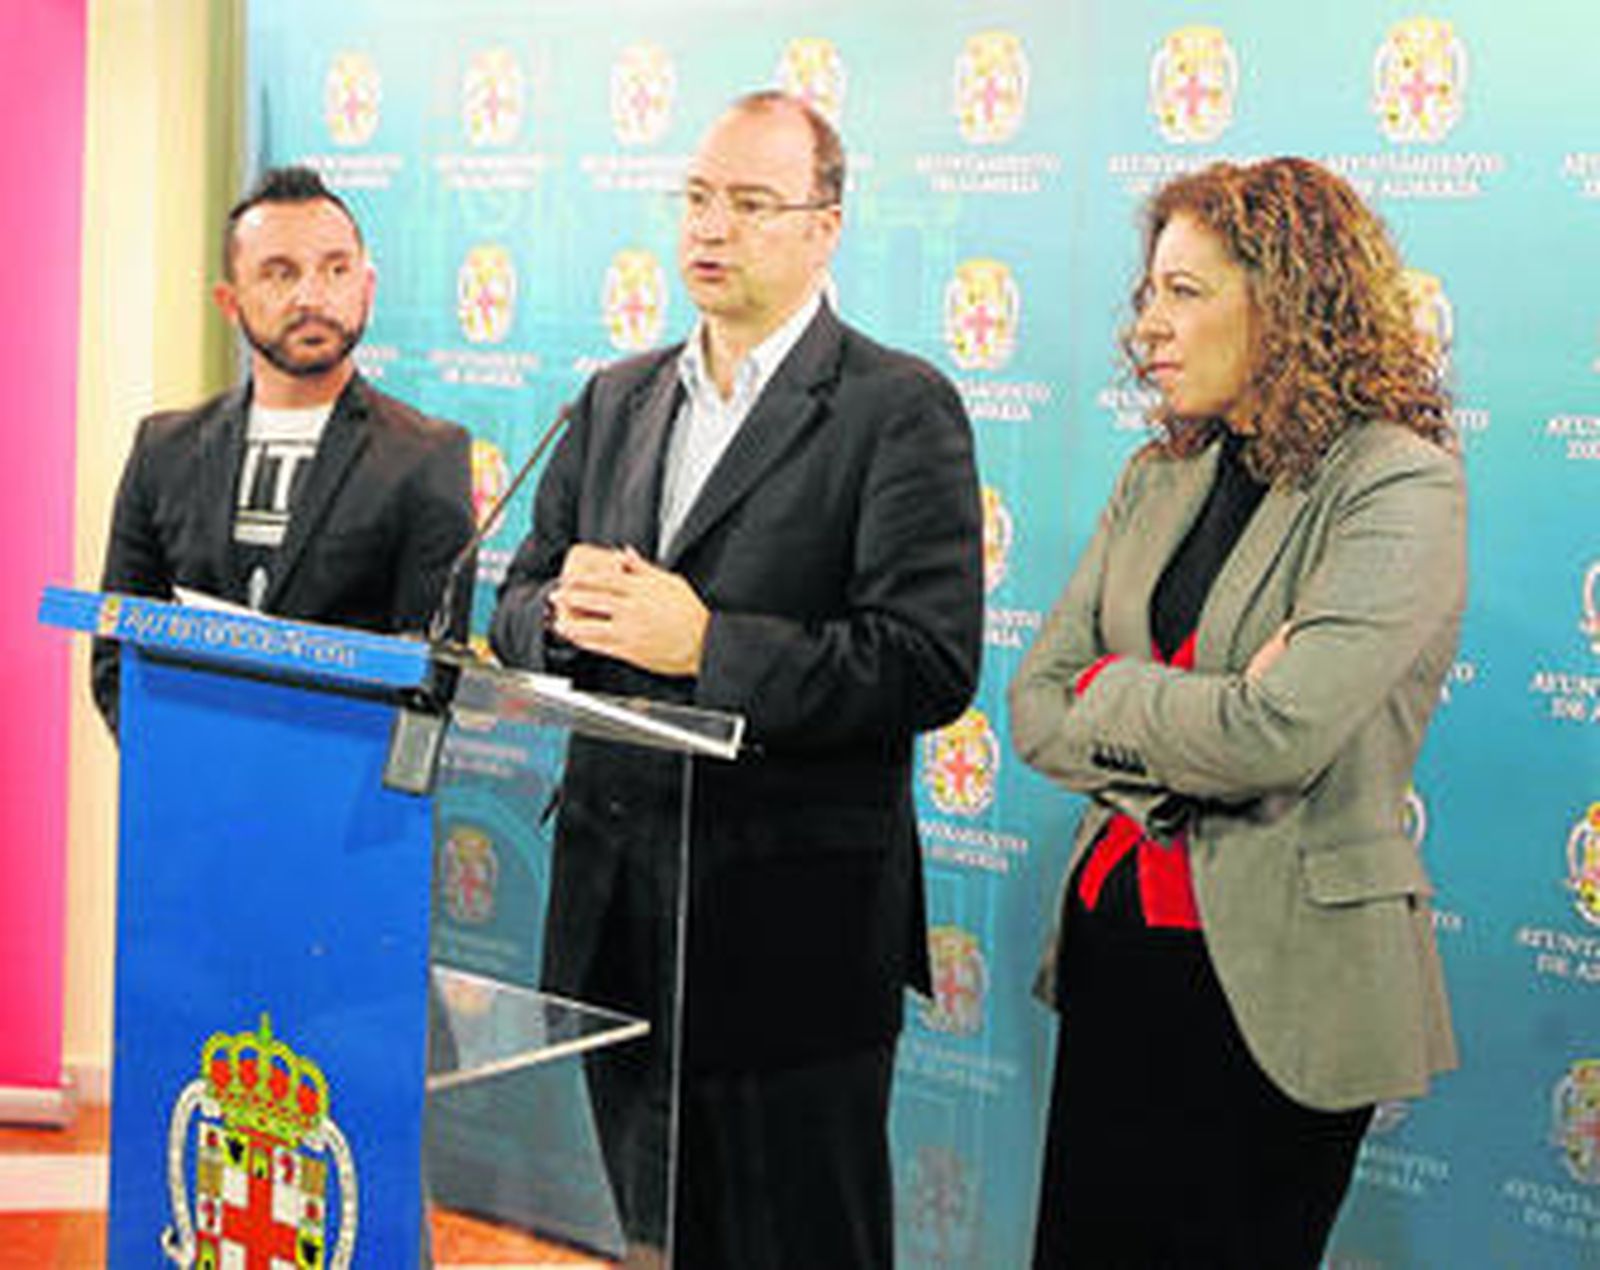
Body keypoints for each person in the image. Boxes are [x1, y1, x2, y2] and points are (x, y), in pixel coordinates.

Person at [491, 91, 983, 1268]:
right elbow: (513, 603)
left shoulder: (895, 406)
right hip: (619, 913)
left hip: (789, 936)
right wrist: (557, 616)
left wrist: (707, 644)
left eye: (752, 204)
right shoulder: (615, 397)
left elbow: (925, 661)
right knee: (653, 1241)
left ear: (824, 227)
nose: (712, 227)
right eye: (699, 198)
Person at [1010, 157, 1464, 1268]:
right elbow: (1034, 705)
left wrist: (1112, 693)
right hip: (1119, 956)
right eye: (1147, 294)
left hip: (1283, 987)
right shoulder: (1155, 474)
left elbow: (1279, 732)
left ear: (1289, 300)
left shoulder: (1395, 483)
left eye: (1185, 292)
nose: (1147, 328)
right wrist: (1193, 709)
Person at [93, 164, 475, 731]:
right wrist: (179, 760)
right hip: (186, 774)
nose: (311, 296)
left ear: (367, 288)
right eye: (280, 274)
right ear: (230, 301)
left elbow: (431, 679)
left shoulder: (427, 457)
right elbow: (115, 654)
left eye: (336, 270)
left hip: (347, 779)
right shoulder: (163, 450)